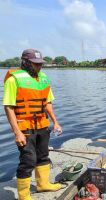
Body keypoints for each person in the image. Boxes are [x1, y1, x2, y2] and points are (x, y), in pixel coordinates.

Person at [3, 49, 62, 200]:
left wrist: (55, 122)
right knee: (28, 159)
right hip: (24, 127)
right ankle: (24, 196)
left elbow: (47, 102)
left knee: (43, 156)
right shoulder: (13, 79)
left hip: (42, 124)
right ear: (25, 62)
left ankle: (43, 184)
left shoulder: (43, 78)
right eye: (35, 64)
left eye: (40, 64)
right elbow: (8, 106)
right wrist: (17, 132)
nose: (39, 67)